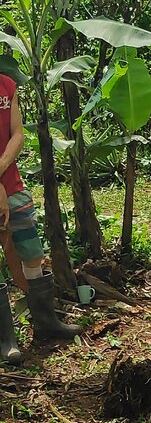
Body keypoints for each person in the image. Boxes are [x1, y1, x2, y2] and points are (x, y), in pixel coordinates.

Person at [0, 63, 80, 363]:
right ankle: (6, 339)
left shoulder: (7, 85)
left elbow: (17, 133)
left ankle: (46, 323)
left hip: (13, 183)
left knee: (32, 253)